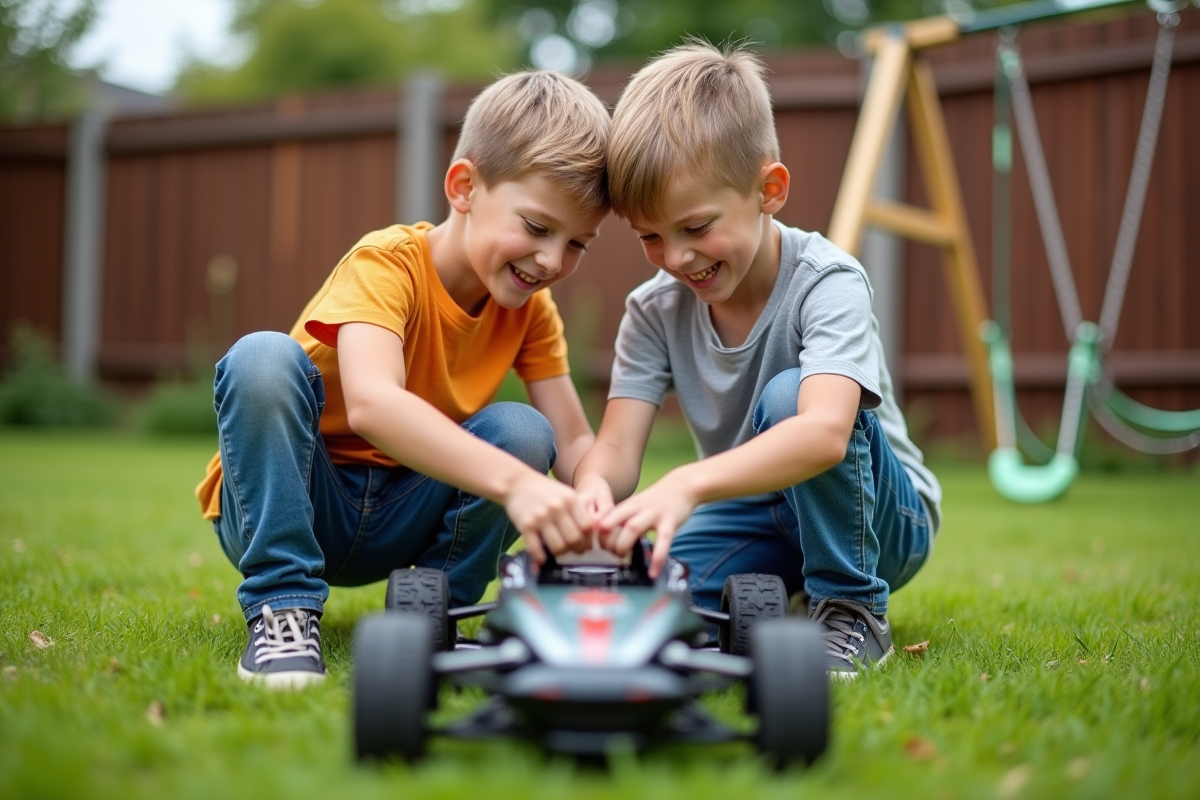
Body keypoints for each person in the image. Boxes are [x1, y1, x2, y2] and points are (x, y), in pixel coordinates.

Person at [196, 70, 610, 689]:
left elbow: (574, 440)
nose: (552, 260)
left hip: (406, 512)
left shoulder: (531, 311)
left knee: (525, 430)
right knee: (262, 358)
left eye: (578, 243)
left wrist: (597, 502)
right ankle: (283, 608)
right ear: (464, 187)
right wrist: (517, 486)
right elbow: (372, 404)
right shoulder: (387, 264)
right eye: (536, 226)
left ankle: (434, 612)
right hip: (301, 499)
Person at [573, 41, 942, 679]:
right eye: (650, 236)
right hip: (754, 509)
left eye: (696, 227)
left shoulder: (828, 281)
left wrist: (687, 484)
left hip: (883, 518)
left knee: (790, 397)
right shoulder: (654, 310)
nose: (676, 257)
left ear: (769, 190)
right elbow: (616, 447)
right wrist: (594, 498)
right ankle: (778, 596)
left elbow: (824, 433)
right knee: (655, 603)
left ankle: (851, 605)